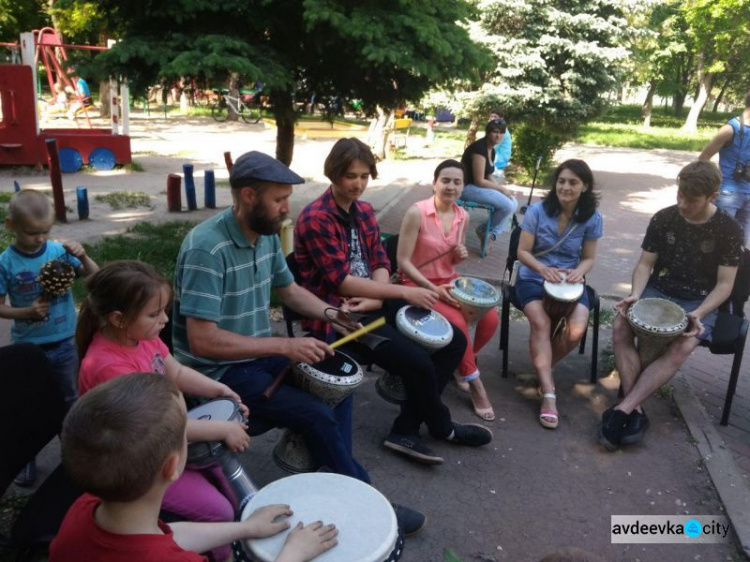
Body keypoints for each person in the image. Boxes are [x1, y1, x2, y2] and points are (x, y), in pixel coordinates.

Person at [173, 150, 425, 535]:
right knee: (315, 413)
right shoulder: (206, 248)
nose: (285, 208)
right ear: (248, 197)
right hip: (216, 374)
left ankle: (336, 475)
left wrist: (331, 314)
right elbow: (202, 341)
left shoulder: (266, 235)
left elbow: (289, 291)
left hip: (255, 360)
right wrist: (283, 347)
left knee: (339, 387)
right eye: (278, 200)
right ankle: (364, 497)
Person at [294, 138, 493, 467]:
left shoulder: (364, 211)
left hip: (373, 303)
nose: (358, 184)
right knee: (418, 361)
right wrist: (400, 292)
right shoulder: (317, 217)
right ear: (333, 174)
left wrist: (378, 294)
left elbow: (380, 261)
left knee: (454, 342)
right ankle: (441, 427)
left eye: (364, 176)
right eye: (350, 176)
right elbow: (339, 282)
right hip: (337, 316)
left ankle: (406, 428)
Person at [50, 373, 338, 562]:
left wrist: (244, 528)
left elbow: (166, 535)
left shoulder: (85, 510)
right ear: (173, 466)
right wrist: (292, 554)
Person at [76, 260, 252, 562]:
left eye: (164, 310)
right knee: (219, 510)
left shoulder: (140, 337)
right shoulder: (109, 367)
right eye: (155, 314)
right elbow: (154, 428)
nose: (165, 320)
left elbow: (176, 372)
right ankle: (225, 555)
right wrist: (223, 428)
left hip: (162, 441)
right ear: (118, 318)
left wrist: (218, 390)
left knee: (226, 476)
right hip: (135, 466)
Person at [601, 161, 743, 451]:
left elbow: (725, 285)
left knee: (684, 345)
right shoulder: (664, 218)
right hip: (658, 289)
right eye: (679, 195)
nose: (681, 203)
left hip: (700, 299)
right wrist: (636, 295)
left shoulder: (729, 229)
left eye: (690, 200)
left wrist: (699, 314)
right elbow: (645, 264)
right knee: (620, 326)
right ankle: (634, 409)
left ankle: (623, 409)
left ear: (712, 196)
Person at [0, 189, 99, 486]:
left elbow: (95, 278)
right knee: (28, 404)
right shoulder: (6, 263)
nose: (40, 239)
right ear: (10, 225)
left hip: (65, 342)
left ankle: (71, 453)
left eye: (46, 232)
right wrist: (25, 312)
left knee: (69, 398)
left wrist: (82, 255)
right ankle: (25, 457)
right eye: (32, 233)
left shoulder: (59, 252)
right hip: (29, 347)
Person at [397, 159, 498, 420]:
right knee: (458, 324)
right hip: (417, 284)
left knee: (490, 318)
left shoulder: (462, 215)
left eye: (457, 182)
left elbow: (451, 261)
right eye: (445, 180)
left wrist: (460, 254)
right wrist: (433, 288)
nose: (451, 187)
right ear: (434, 183)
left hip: (450, 281)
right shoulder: (416, 212)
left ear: (463, 186)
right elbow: (403, 263)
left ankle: (463, 364)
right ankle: (476, 385)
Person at [515, 160, 602, 430]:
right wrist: (542, 268)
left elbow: (589, 258)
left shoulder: (592, 217)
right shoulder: (538, 211)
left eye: (573, 182)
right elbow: (522, 252)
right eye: (562, 181)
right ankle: (549, 394)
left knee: (577, 329)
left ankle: (542, 370)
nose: (566, 186)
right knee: (540, 323)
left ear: (585, 186)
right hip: (532, 277)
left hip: (570, 282)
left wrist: (579, 272)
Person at [699, 91, 750, 246]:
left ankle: (736, 271)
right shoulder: (730, 129)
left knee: (740, 245)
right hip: (728, 193)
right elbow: (703, 158)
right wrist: (717, 178)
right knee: (718, 241)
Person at [460, 119, 518, 254]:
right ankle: (484, 230)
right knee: (507, 206)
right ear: (488, 133)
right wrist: (502, 189)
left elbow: (489, 175)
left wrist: (502, 190)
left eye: (501, 133)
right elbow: (479, 180)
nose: (498, 136)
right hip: (467, 188)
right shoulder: (479, 149)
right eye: (495, 132)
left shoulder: (491, 150)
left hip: (477, 187)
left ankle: (490, 233)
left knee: (513, 203)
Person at [489, 108, 512, 183]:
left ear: (501, 118)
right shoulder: (498, 129)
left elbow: (492, 148)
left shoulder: (502, 132)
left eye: (495, 117)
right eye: (491, 116)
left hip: (498, 162)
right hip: (496, 160)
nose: (492, 118)